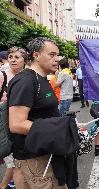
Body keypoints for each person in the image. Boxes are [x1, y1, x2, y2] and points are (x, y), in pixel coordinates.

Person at [8, 37, 68, 188]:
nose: (57, 59)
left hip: (46, 153)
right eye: (52, 55)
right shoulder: (26, 81)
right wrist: (57, 130)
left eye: (58, 55)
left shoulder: (42, 78)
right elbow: (16, 124)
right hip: (34, 158)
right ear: (36, 55)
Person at [0, 47, 27, 189]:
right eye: (10, 57)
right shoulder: (2, 75)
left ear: (24, 60)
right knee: (13, 161)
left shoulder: (28, 75)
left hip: (22, 122)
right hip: (6, 123)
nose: (13, 60)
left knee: (17, 161)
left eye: (17, 57)